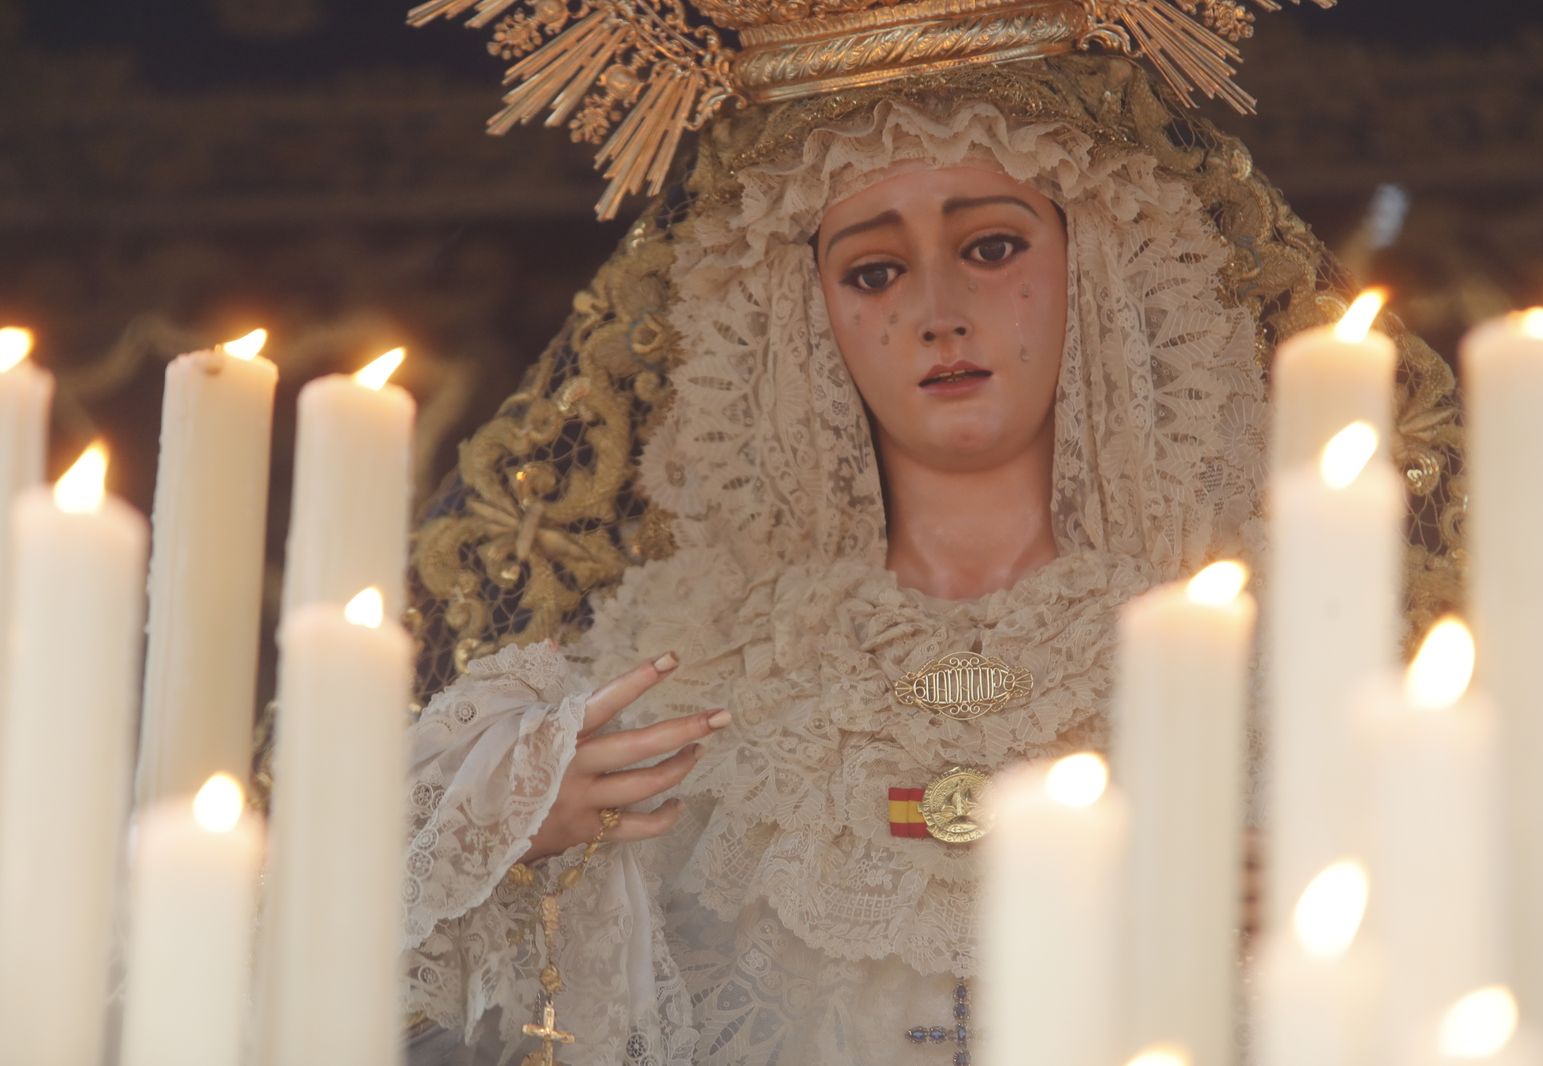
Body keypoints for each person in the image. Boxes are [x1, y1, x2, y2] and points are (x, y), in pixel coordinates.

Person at [398, 48, 1463, 1066]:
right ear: (804, 318)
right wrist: (510, 845)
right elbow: (363, 972)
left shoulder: (1291, 647)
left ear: (1095, 260)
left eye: (992, 247)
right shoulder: (676, 662)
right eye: (871, 271)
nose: (936, 314)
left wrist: (1362, 908)